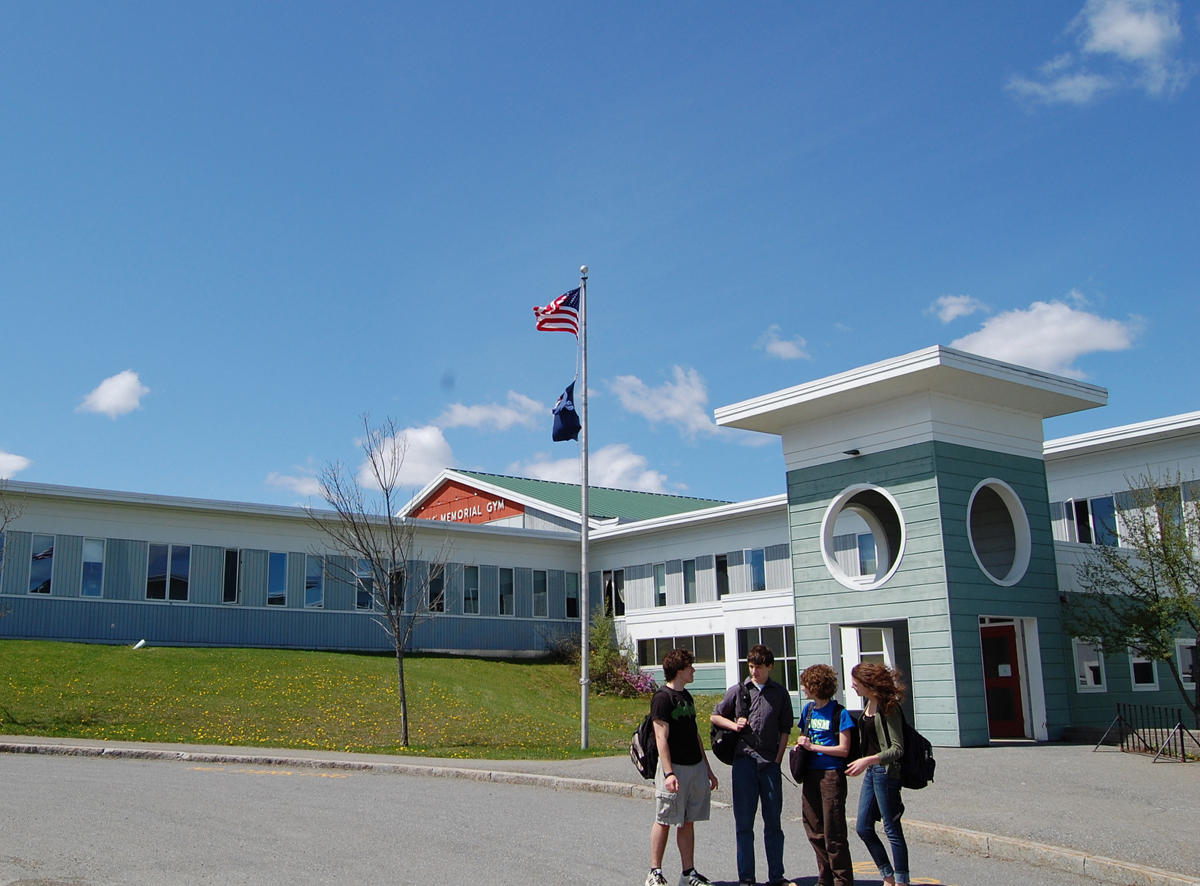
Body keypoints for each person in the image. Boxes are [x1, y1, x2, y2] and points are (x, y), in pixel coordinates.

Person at [710, 644, 794, 886]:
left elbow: (785, 729)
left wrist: (777, 760)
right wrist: (733, 725)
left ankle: (776, 876)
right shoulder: (738, 691)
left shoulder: (779, 693)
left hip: (769, 765)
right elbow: (715, 716)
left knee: (773, 824)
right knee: (744, 824)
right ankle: (746, 877)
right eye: (751, 666)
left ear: (769, 667)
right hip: (744, 762)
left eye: (758, 666)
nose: (754, 671)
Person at [647, 647, 719, 886]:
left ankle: (688, 873)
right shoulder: (662, 698)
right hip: (674, 768)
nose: (694, 670)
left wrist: (707, 770)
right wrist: (668, 773)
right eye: (690, 667)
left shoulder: (686, 697)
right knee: (665, 818)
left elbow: (695, 735)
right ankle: (654, 872)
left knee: (688, 820)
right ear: (679, 670)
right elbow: (661, 738)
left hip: (694, 766)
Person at [845, 662, 909, 886]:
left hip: (886, 772)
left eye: (855, 682)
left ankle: (900, 880)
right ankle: (887, 874)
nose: (852, 686)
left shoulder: (888, 707)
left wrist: (867, 760)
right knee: (863, 827)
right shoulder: (867, 704)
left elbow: (897, 748)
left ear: (867, 683)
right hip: (872, 772)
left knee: (891, 828)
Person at [794, 663, 855, 886]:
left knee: (834, 831)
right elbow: (804, 738)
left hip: (831, 775)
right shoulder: (808, 711)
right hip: (811, 773)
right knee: (813, 828)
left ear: (817, 685)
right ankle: (825, 877)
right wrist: (802, 746)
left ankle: (843, 880)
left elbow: (844, 749)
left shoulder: (840, 713)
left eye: (806, 685)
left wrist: (814, 747)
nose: (803, 689)